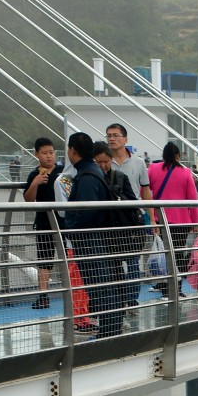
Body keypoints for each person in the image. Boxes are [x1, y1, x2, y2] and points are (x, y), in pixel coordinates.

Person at [61, 131, 120, 337]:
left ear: (73, 150)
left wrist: (70, 227)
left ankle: (110, 331)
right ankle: (111, 329)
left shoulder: (86, 177)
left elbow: (86, 213)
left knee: (100, 287)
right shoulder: (92, 172)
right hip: (96, 238)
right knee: (102, 286)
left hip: (90, 240)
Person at [93, 140, 141, 325]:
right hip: (102, 234)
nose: (103, 166)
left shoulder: (120, 178)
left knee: (118, 273)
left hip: (120, 234)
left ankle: (119, 312)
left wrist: (114, 194)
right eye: (99, 162)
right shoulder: (91, 179)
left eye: (106, 162)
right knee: (106, 274)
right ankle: (107, 313)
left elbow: (132, 202)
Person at [146, 141, 198, 290]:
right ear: (178, 156)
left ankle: (164, 287)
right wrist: (195, 223)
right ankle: (175, 288)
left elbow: (144, 191)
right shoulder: (185, 172)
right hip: (181, 222)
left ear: (164, 155)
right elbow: (193, 200)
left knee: (164, 254)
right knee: (176, 255)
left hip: (160, 220)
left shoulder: (153, 169)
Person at [22, 136, 61, 310]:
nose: (49, 156)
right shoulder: (34, 174)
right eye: (44, 153)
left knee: (70, 257)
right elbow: (29, 200)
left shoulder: (62, 172)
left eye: (51, 152)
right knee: (44, 260)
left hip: (64, 221)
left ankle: (77, 293)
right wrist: (35, 183)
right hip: (44, 222)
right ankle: (43, 295)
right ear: (36, 154)